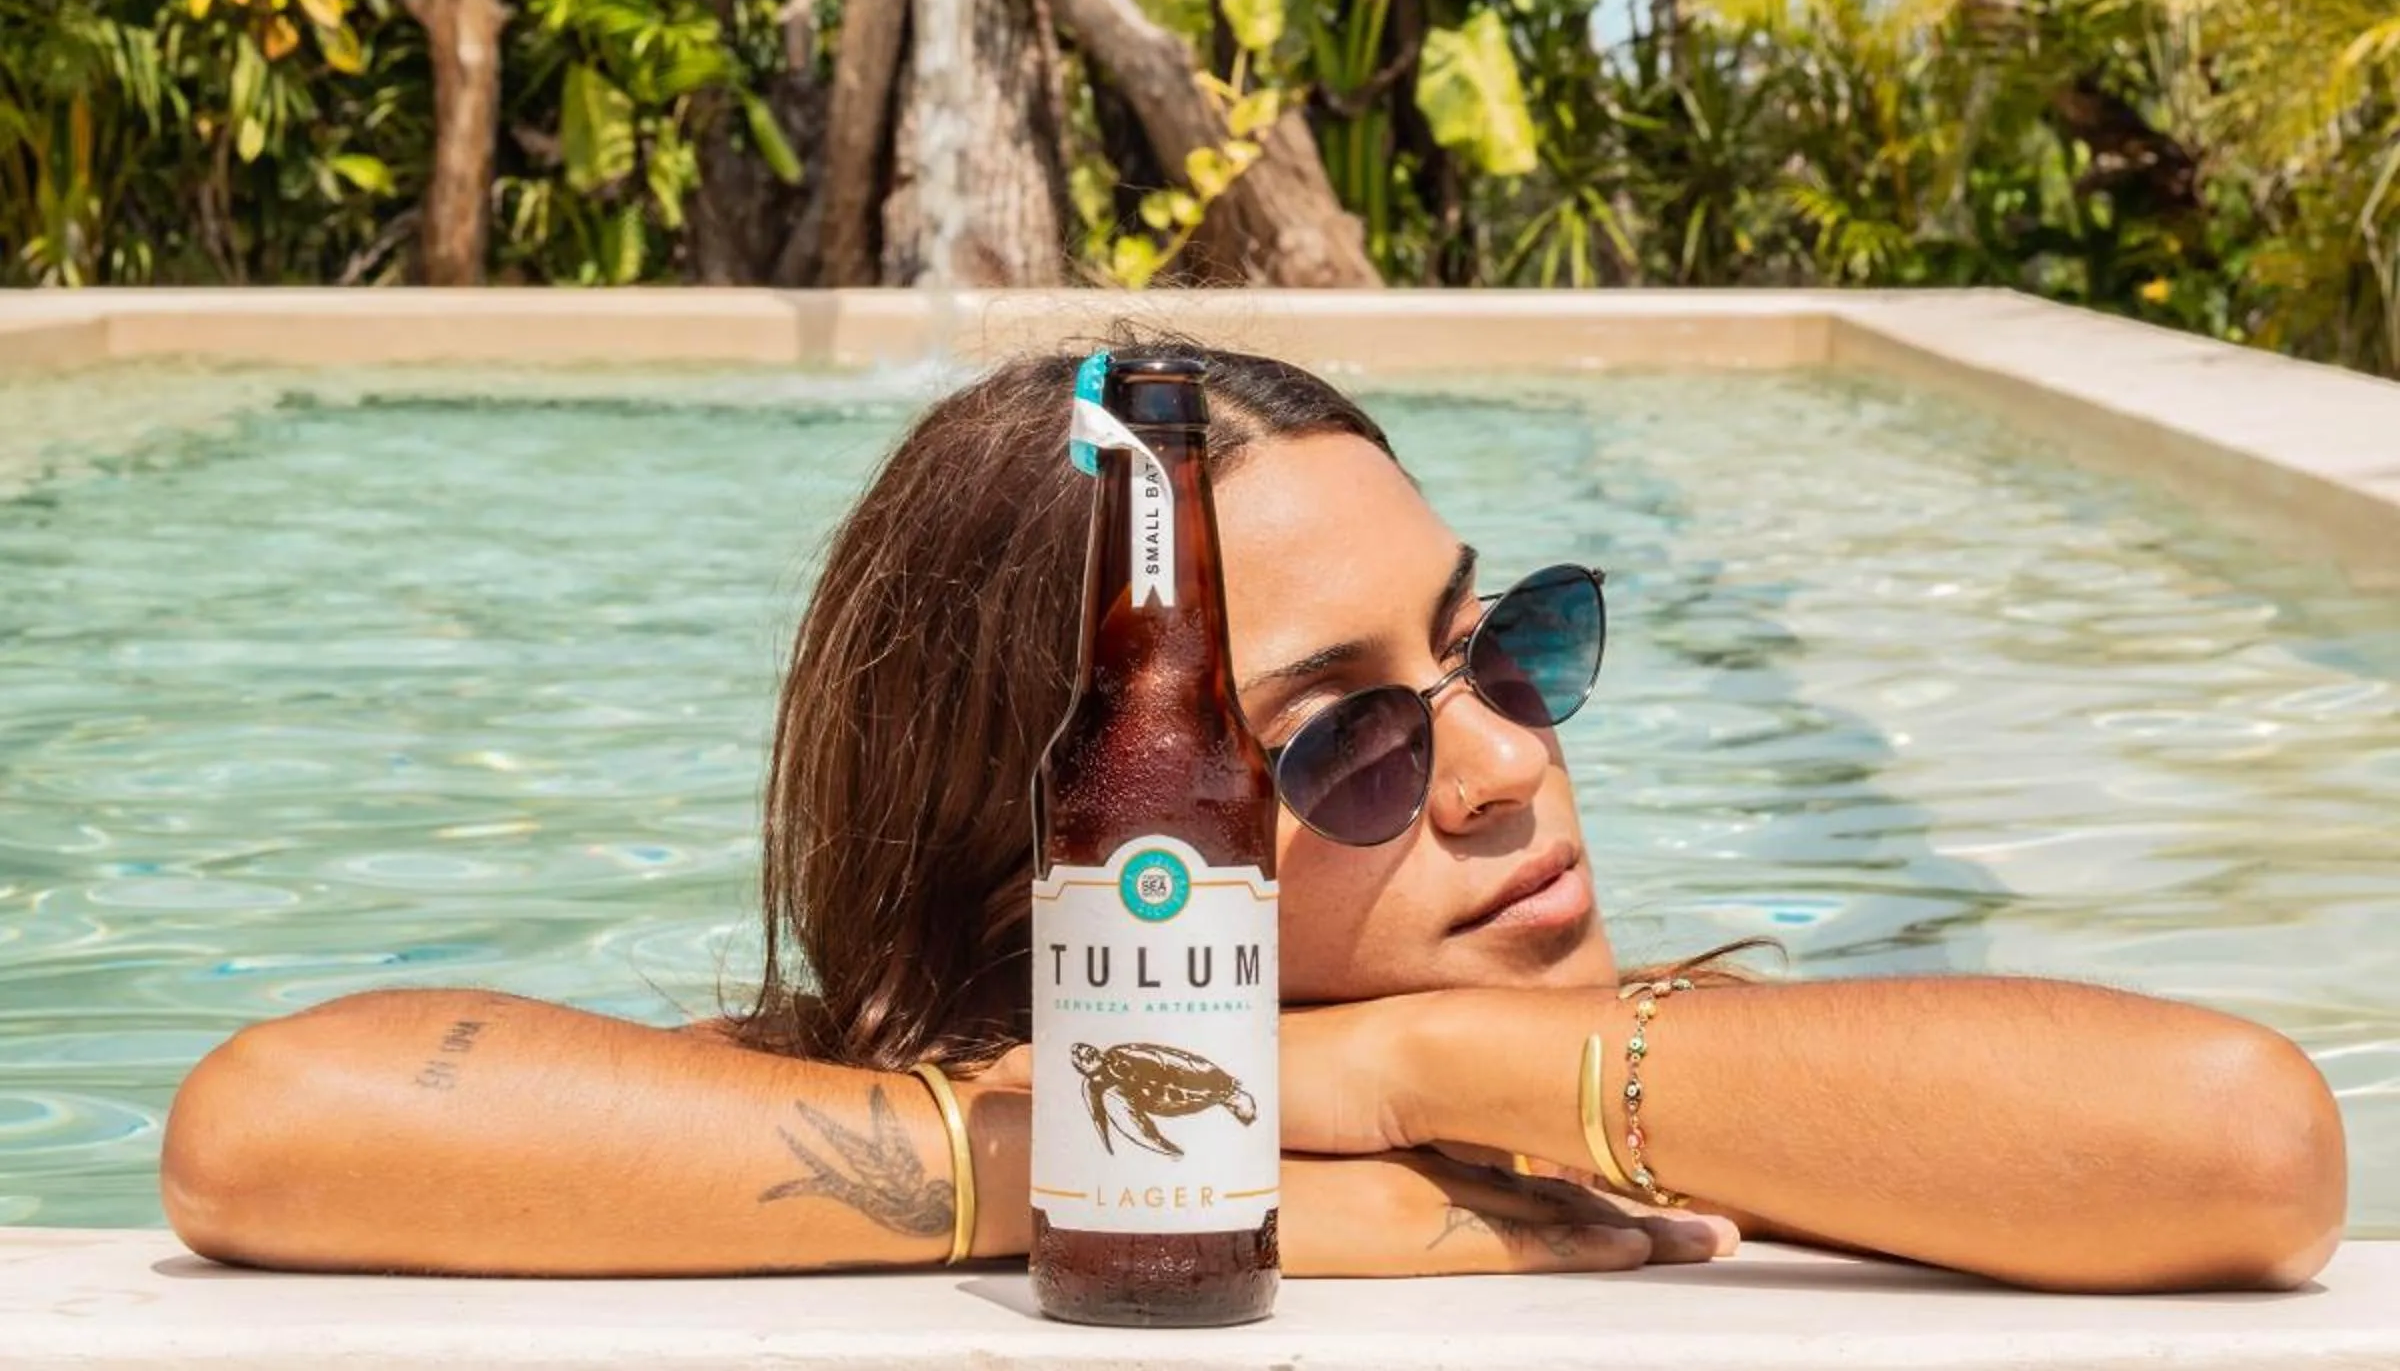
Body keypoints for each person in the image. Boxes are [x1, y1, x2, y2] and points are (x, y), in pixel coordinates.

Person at [159, 342, 2347, 1288]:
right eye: (1347, 742)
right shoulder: (963, 1086)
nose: (1501, 764)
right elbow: (277, 1122)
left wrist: (1412, 1067)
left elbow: (2245, 1146)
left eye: (1504, 644)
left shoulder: (1682, 1080)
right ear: (1084, 834)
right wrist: (1156, 1155)